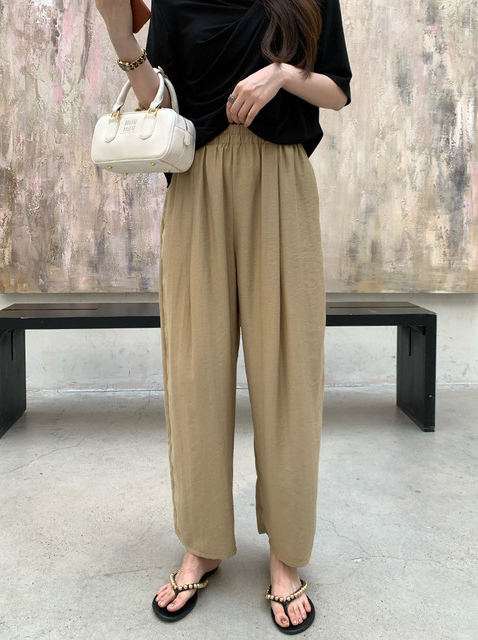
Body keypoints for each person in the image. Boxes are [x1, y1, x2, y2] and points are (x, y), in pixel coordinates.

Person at [96, 0, 351, 633]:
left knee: (288, 377)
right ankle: (202, 543)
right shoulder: (179, 0)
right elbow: (163, 100)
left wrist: (283, 75)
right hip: (198, 187)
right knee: (195, 374)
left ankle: (286, 555)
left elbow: (338, 91)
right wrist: (121, 36)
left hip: (281, 185)